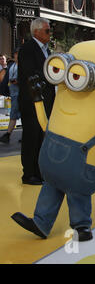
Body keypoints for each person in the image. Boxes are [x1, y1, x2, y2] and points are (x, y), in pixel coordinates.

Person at [17, 18, 55, 185]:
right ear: (37, 32)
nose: (50, 33)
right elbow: (31, 72)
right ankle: (29, 173)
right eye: (47, 31)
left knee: (42, 137)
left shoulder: (48, 51)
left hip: (45, 102)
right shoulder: (27, 49)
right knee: (31, 137)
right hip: (32, 102)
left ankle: (39, 171)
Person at [0, 48, 21, 144]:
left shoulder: (22, 65)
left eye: (18, 54)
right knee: (19, 114)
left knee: (14, 114)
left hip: (19, 93)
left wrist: (18, 82)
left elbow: (25, 78)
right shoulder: (12, 65)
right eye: (15, 54)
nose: (16, 55)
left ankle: (8, 134)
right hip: (13, 93)